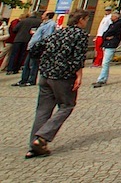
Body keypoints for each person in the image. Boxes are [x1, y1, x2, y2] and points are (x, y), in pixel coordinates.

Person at [25, 9, 91, 159]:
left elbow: (35, 47)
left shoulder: (58, 32)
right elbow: (78, 57)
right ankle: (42, 137)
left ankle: (34, 145)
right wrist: (78, 76)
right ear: (80, 20)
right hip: (63, 76)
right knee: (67, 105)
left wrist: (43, 63)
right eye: (86, 19)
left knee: (43, 110)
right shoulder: (79, 34)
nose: (86, 22)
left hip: (46, 75)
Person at [18, 12, 57, 87]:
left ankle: (31, 80)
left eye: (44, 14)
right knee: (27, 64)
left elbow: (47, 36)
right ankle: (23, 79)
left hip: (38, 47)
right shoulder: (43, 23)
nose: (42, 16)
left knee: (33, 64)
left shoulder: (50, 24)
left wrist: (40, 45)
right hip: (32, 45)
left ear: (48, 16)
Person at [93, 10, 121, 88]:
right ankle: (103, 78)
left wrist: (106, 36)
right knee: (105, 63)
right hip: (108, 43)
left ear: (116, 17)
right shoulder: (113, 24)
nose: (111, 18)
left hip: (111, 44)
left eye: (112, 16)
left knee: (105, 63)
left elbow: (109, 32)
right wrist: (105, 36)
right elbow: (106, 33)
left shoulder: (117, 25)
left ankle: (101, 79)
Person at [7, 11, 42, 75]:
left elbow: (15, 29)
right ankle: (16, 68)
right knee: (22, 55)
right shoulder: (39, 22)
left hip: (18, 39)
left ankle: (10, 68)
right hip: (28, 39)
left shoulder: (23, 21)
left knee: (14, 54)